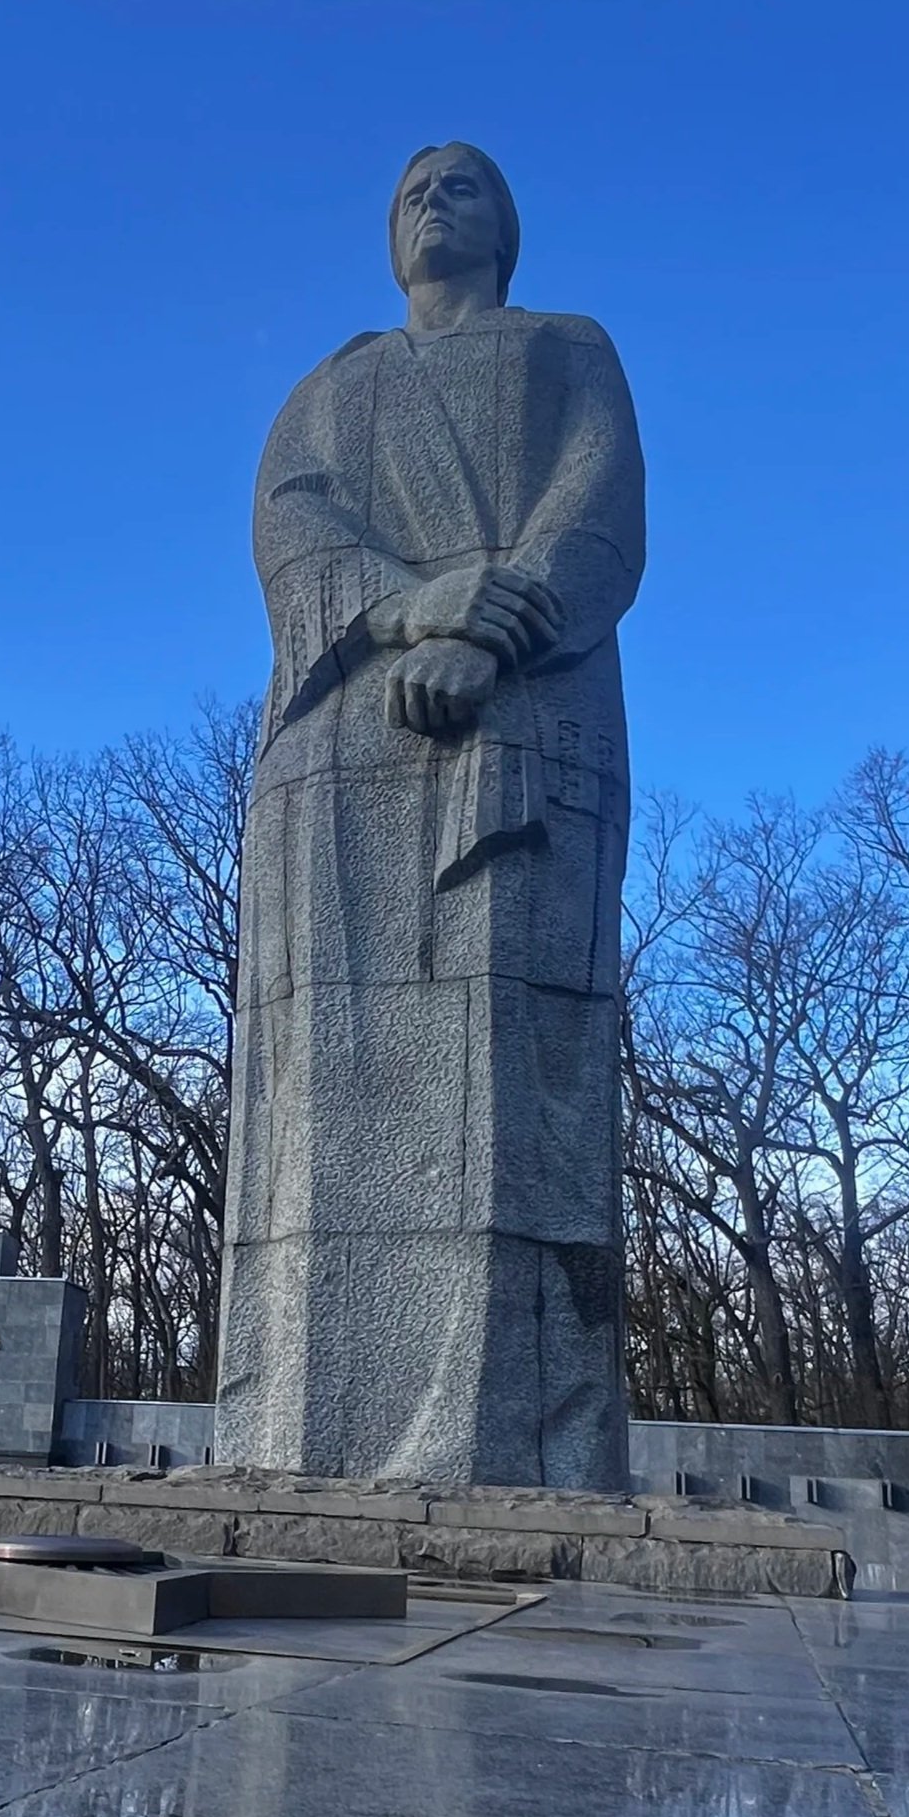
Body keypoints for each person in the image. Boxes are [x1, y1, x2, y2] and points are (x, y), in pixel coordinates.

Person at [216, 142, 644, 1487]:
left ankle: (505, 1453)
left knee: (506, 1092)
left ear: (507, 225)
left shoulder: (566, 347)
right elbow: (290, 529)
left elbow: (598, 507)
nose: (432, 198)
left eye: (462, 182)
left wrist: (497, 623)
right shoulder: (332, 386)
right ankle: (297, 1435)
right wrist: (410, 607)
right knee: (327, 1087)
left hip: (524, 712)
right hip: (339, 741)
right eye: (410, 187)